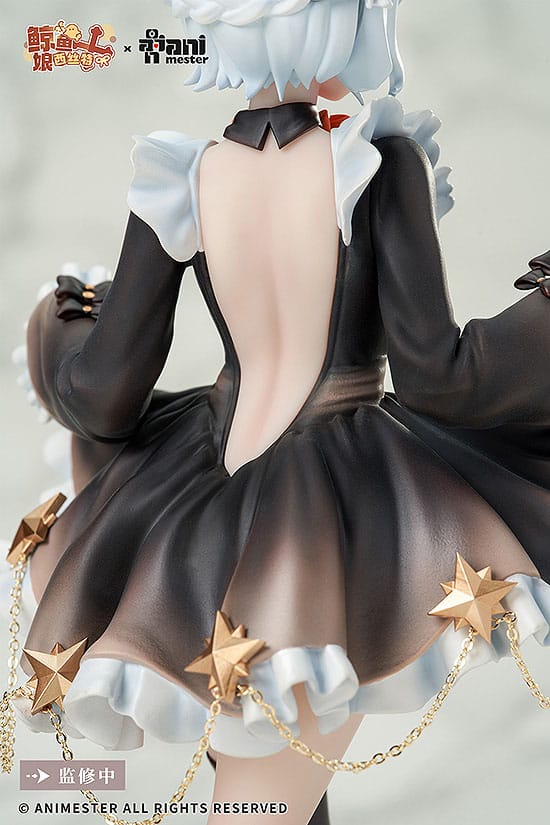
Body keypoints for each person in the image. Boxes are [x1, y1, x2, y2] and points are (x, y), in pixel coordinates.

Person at [8, 0, 550, 822]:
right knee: (262, 801)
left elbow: (104, 396)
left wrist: (63, 323)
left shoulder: (184, 174)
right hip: (327, 527)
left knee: (277, 785)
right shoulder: (374, 162)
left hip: (197, 516)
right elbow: (439, 377)